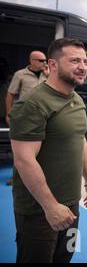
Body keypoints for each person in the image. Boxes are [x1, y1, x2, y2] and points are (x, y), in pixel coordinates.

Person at [9, 38, 87, 263]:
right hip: (40, 211)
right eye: (75, 60)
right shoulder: (32, 104)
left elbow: (79, 138)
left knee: (64, 257)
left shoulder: (77, 99)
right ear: (53, 65)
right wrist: (50, 207)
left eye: (85, 61)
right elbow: (24, 160)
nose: (83, 66)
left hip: (71, 206)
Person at [4, 51, 48, 186]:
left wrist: (48, 75)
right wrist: (9, 113)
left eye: (45, 60)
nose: (44, 63)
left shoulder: (48, 74)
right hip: (24, 116)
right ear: (32, 61)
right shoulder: (20, 75)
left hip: (44, 115)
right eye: (41, 60)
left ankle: (38, 177)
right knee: (21, 150)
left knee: (43, 148)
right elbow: (10, 94)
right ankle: (16, 177)